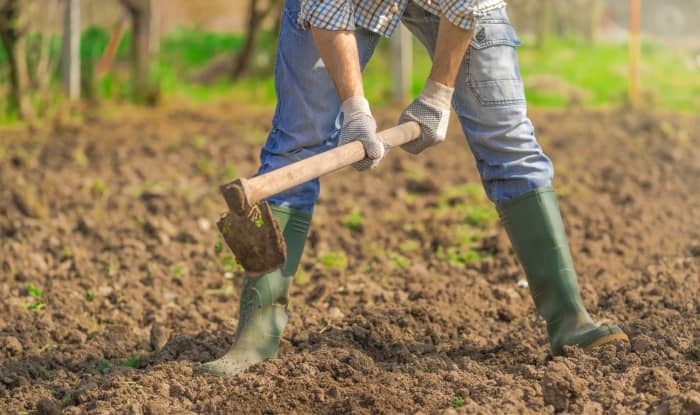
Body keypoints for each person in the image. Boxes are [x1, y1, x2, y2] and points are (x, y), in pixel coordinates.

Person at [201, 0, 629, 375]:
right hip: (344, 6)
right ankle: (256, 338)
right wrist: (355, 110)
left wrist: (438, 95)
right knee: (298, 140)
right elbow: (327, 9)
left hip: (457, 4)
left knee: (507, 137)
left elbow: (466, 6)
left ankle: (570, 320)